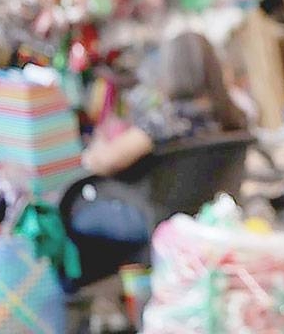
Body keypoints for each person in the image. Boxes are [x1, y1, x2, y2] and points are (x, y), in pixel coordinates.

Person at [75, 32, 248, 244]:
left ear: (172, 71)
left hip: (154, 220)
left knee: (74, 211)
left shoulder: (166, 121)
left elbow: (106, 162)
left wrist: (97, 145)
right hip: (211, 217)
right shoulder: (233, 118)